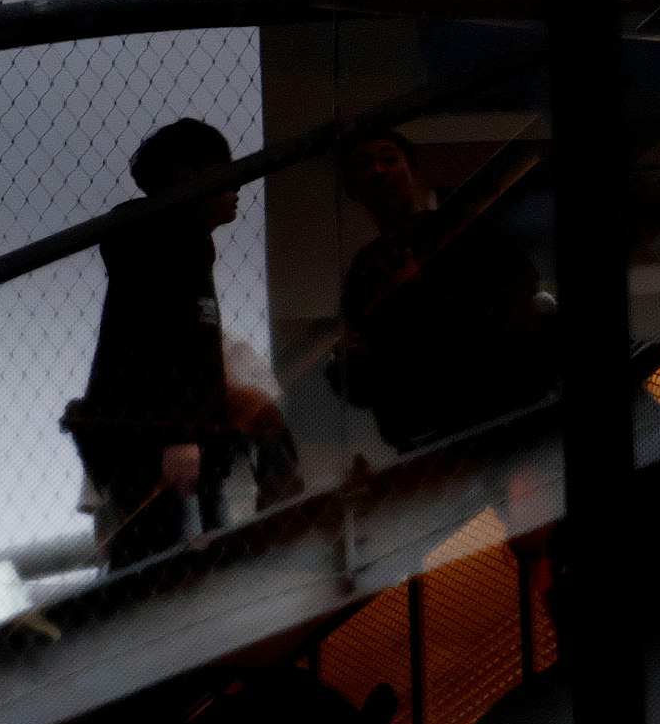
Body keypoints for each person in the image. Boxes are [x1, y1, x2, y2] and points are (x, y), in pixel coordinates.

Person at [65, 118, 300, 571]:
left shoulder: (176, 241)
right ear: (188, 175)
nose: (238, 186)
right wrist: (179, 438)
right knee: (165, 574)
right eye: (224, 171)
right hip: (159, 452)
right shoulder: (165, 239)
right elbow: (162, 341)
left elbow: (183, 346)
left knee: (173, 564)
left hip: (167, 446)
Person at [329, 128, 556, 450]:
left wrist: (419, 295)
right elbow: (370, 377)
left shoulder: (462, 230)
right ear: (353, 188)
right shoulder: (364, 271)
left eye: (389, 159)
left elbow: (517, 313)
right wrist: (349, 362)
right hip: (431, 431)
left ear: (411, 168)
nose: (378, 171)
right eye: (364, 165)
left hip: (497, 410)